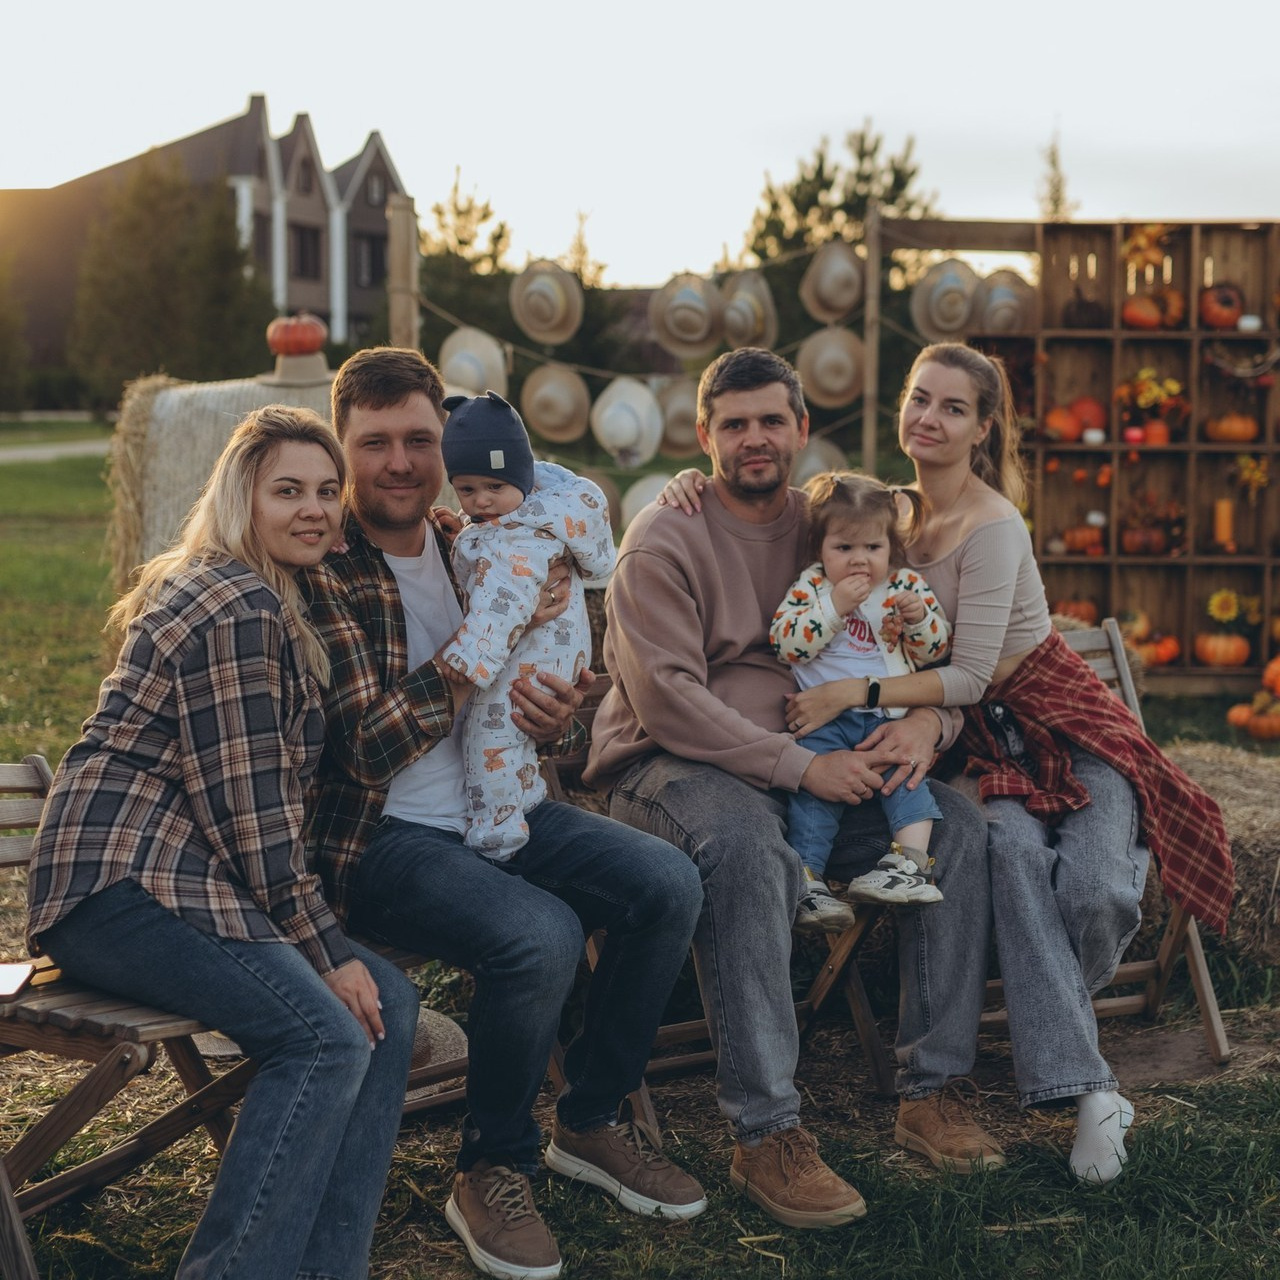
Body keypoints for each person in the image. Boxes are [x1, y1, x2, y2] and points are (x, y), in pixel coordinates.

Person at [673, 343, 1234, 1186]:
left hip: (1062, 728)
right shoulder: (889, 513)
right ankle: (1088, 1091)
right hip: (982, 744)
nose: (928, 418)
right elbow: (790, 498)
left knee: (1094, 893)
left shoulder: (993, 524)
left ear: (983, 429)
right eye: (918, 398)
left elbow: (969, 674)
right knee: (999, 851)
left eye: (953, 407)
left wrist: (867, 697)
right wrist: (688, 482)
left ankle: (1061, 1040)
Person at [302, 348, 706, 1280]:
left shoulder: (474, 537)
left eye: (419, 440)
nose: (400, 462)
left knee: (667, 883)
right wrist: (491, 644)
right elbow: (365, 747)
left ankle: (591, 1118)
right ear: (341, 448)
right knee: (540, 935)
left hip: (507, 802)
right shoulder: (323, 567)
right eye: (374, 443)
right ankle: (492, 1164)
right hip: (382, 839)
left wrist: (555, 715)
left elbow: (548, 701)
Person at [586, 347, 1005, 1232]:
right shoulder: (665, 536)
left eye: (772, 420)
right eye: (733, 424)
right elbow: (669, 700)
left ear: (802, 430)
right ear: (703, 435)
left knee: (957, 828)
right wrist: (800, 766)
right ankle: (767, 1133)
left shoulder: (832, 525)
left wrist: (928, 724)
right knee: (746, 847)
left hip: (816, 762)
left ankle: (933, 1092)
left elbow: (920, 642)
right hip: (670, 768)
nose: (755, 439)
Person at [26, 406, 419, 1280]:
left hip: (179, 888)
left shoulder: (259, 591)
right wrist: (325, 949)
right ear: (243, 499)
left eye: (326, 491)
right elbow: (251, 815)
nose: (312, 509)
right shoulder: (237, 603)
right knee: (324, 1038)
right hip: (121, 890)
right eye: (288, 491)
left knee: (386, 1006)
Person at [769, 469, 950, 933]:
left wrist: (919, 620)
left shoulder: (905, 586)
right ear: (820, 549)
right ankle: (808, 881)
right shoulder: (811, 587)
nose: (859, 560)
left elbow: (935, 651)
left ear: (891, 547)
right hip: (824, 722)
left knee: (905, 777)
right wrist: (834, 607)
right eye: (844, 548)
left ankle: (909, 864)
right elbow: (787, 644)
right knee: (813, 796)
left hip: (885, 717)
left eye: (872, 547)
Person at [438, 389, 615, 858]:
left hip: (527, 652)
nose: (481, 502)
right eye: (467, 490)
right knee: (513, 735)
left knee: (488, 737)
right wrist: (465, 536)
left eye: (494, 488)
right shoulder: (541, 514)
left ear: (519, 477)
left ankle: (497, 836)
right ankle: (523, 796)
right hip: (551, 651)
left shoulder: (519, 539)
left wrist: (469, 658)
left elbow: (505, 602)